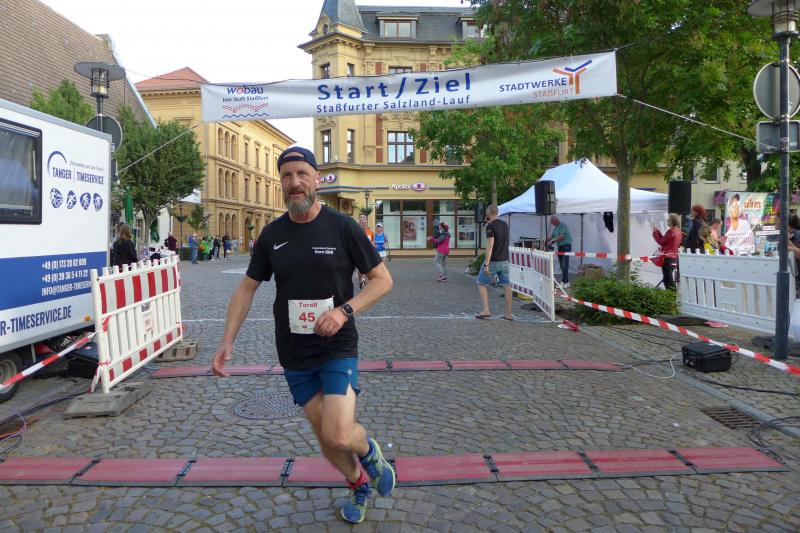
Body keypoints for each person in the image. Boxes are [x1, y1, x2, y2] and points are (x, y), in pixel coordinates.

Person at [211, 146, 395, 524]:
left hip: (337, 346)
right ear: (281, 182)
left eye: (302, 174)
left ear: (316, 179)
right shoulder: (272, 235)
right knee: (325, 436)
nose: (295, 182)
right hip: (294, 352)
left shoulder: (343, 227)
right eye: (287, 176)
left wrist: (344, 312)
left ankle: (369, 451)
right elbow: (246, 289)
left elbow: (382, 280)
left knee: (339, 434)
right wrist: (227, 340)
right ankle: (358, 483)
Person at [475, 205, 513, 320]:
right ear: (497, 213)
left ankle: (486, 310)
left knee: (481, 283)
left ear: (488, 214)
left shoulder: (490, 226)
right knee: (506, 286)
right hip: (504, 259)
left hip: (493, 260)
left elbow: (490, 245)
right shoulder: (505, 224)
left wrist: (486, 263)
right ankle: (509, 314)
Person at [652, 213, 682, 290]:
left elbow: (661, 241)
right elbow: (665, 241)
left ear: (672, 221)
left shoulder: (671, 231)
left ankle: (672, 295)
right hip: (674, 257)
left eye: (668, 219)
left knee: (668, 280)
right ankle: (671, 294)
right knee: (668, 279)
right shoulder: (678, 231)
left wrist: (655, 233)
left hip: (667, 258)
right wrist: (658, 232)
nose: (667, 220)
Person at [546, 215, 572, 287]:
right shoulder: (555, 228)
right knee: (561, 264)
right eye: (552, 223)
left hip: (566, 246)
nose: (553, 224)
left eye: (553, 223)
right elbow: (551, 237)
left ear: (556, 220)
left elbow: (561, 237)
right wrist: (547, 239)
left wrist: (552, 242)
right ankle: (565, 281)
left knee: (564, 264)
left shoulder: (562, 226)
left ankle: (565, 282)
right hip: (560, 247)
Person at [357, 214, 374, 288]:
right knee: (360, 268)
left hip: (368, 252)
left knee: (368, 268)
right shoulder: (356, 230)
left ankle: (365, 282)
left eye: (364, 218)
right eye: (361, 217)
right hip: (359, 252)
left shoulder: (370, 232)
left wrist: (372, 247)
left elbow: (372, 241)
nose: (363, 219)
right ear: (359, 220)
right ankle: (361, 281)